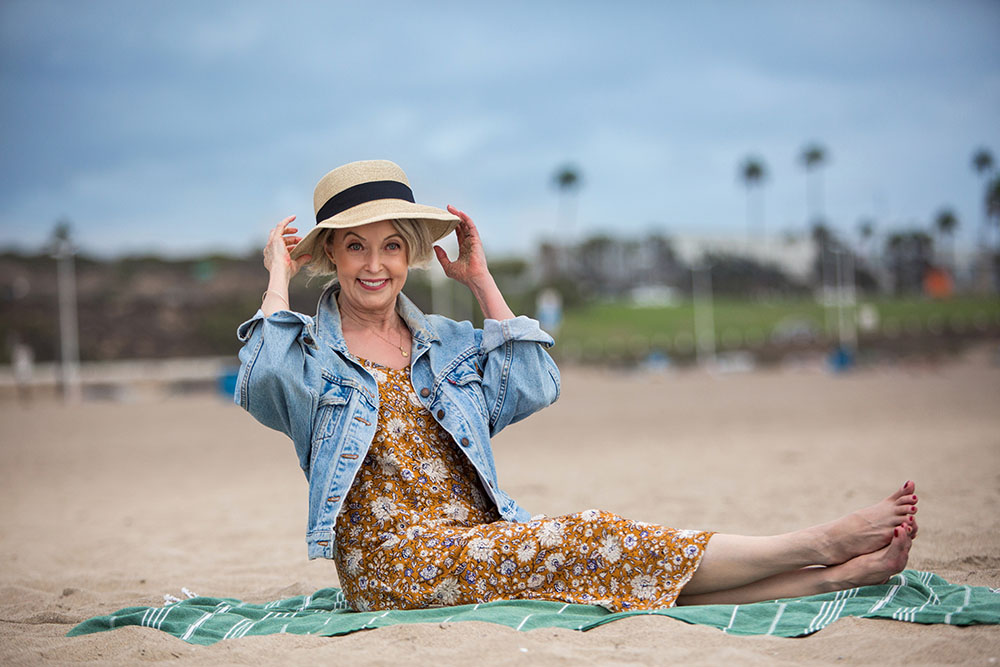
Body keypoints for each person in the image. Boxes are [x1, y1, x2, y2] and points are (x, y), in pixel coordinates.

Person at [236, 160, 917, 612]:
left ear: (409, 253)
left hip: (475, 540)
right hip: (389, 568)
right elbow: (260, 378)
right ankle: (816, 542)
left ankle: (831, 576)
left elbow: (536, 381)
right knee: (586, 537)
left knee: (592, 575)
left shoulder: (441, 341)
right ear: (330, 254)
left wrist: (480, 280)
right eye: (355, 245)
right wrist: (276, 278)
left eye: (390, 245)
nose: (375, 264)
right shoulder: (312, 351)